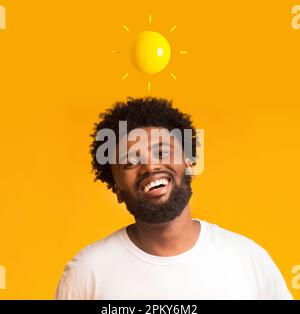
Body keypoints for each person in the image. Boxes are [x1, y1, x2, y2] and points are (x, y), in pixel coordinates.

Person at [55, 97, 293, 300]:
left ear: (188, 162)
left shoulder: (248, 260)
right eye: (130, 162)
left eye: (162, 151)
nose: (150, 166)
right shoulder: (87, 272)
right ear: (116, 188)